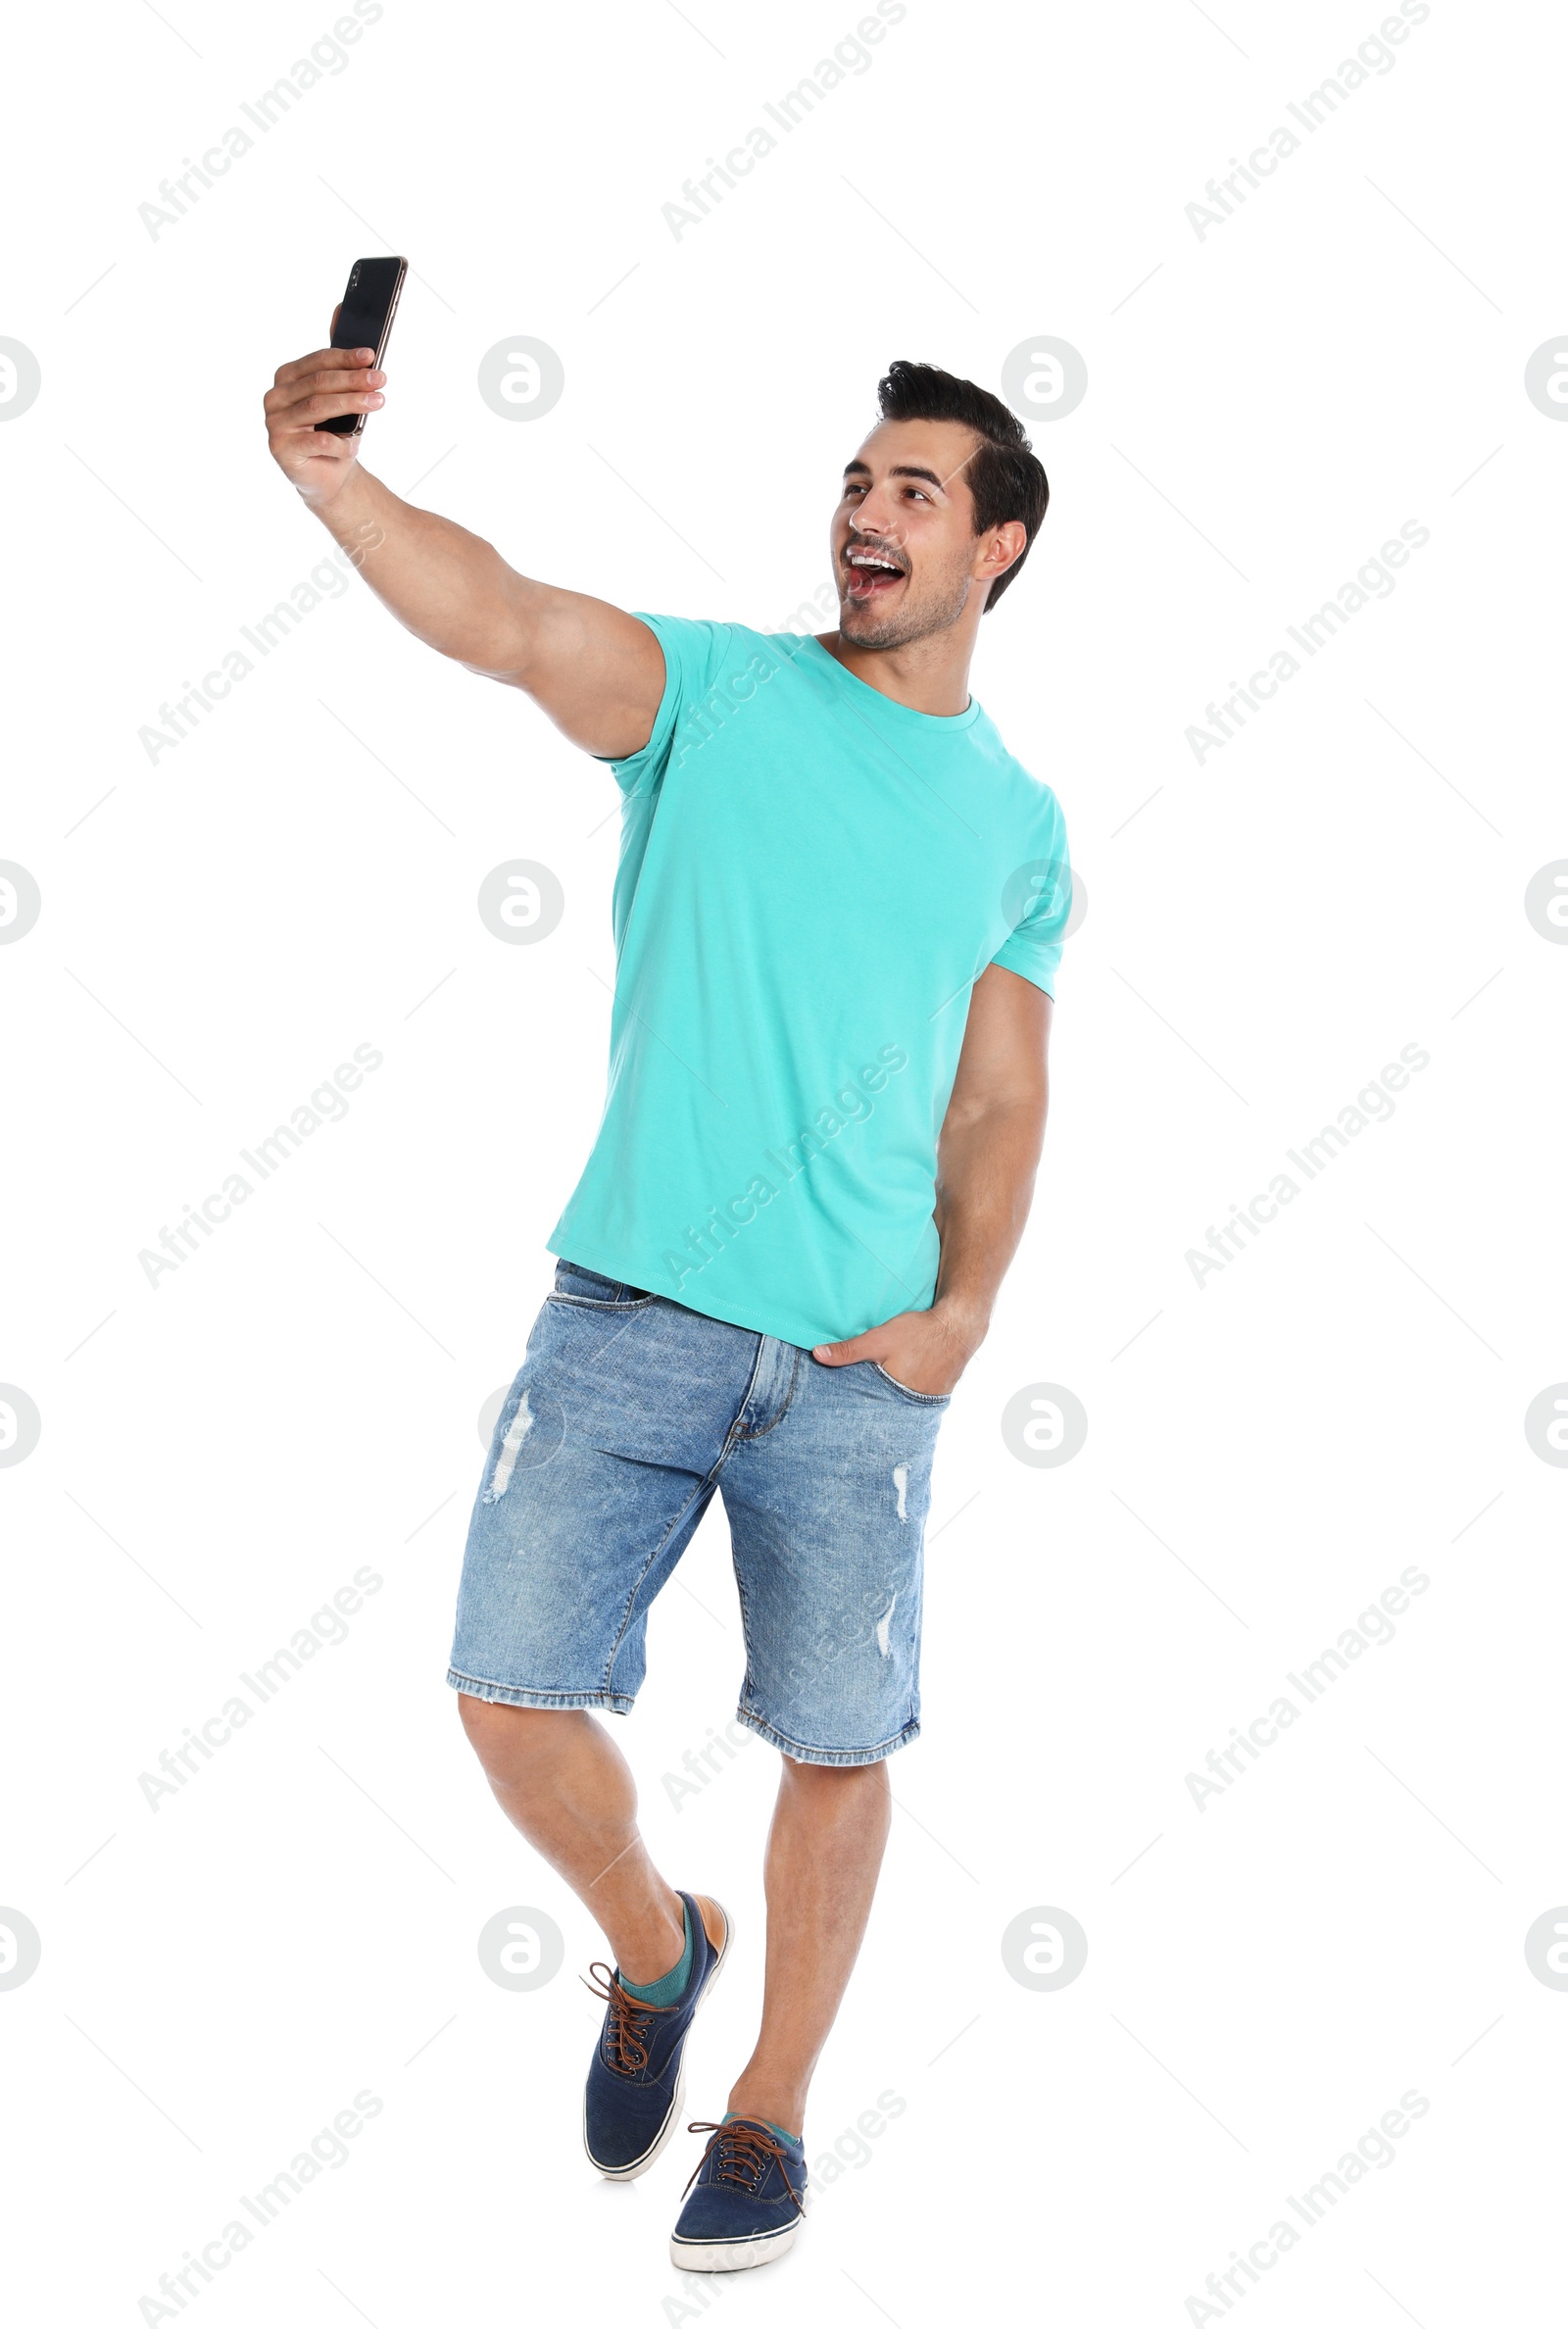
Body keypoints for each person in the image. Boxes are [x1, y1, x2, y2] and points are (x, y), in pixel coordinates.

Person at [264, 340, 1070, 2272]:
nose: (865, 516)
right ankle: (654, 1941)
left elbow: (997, 1093)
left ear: (1000, 549)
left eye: (914, 493)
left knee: (834, 1744)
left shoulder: (1014, 825)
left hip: (860, 1374)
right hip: (627, 1319)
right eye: (857, 482)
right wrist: (341, 490)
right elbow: (513, 621)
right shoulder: (716, 690)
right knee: (504, 1694)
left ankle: (770, 2113)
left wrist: (961, 1314)